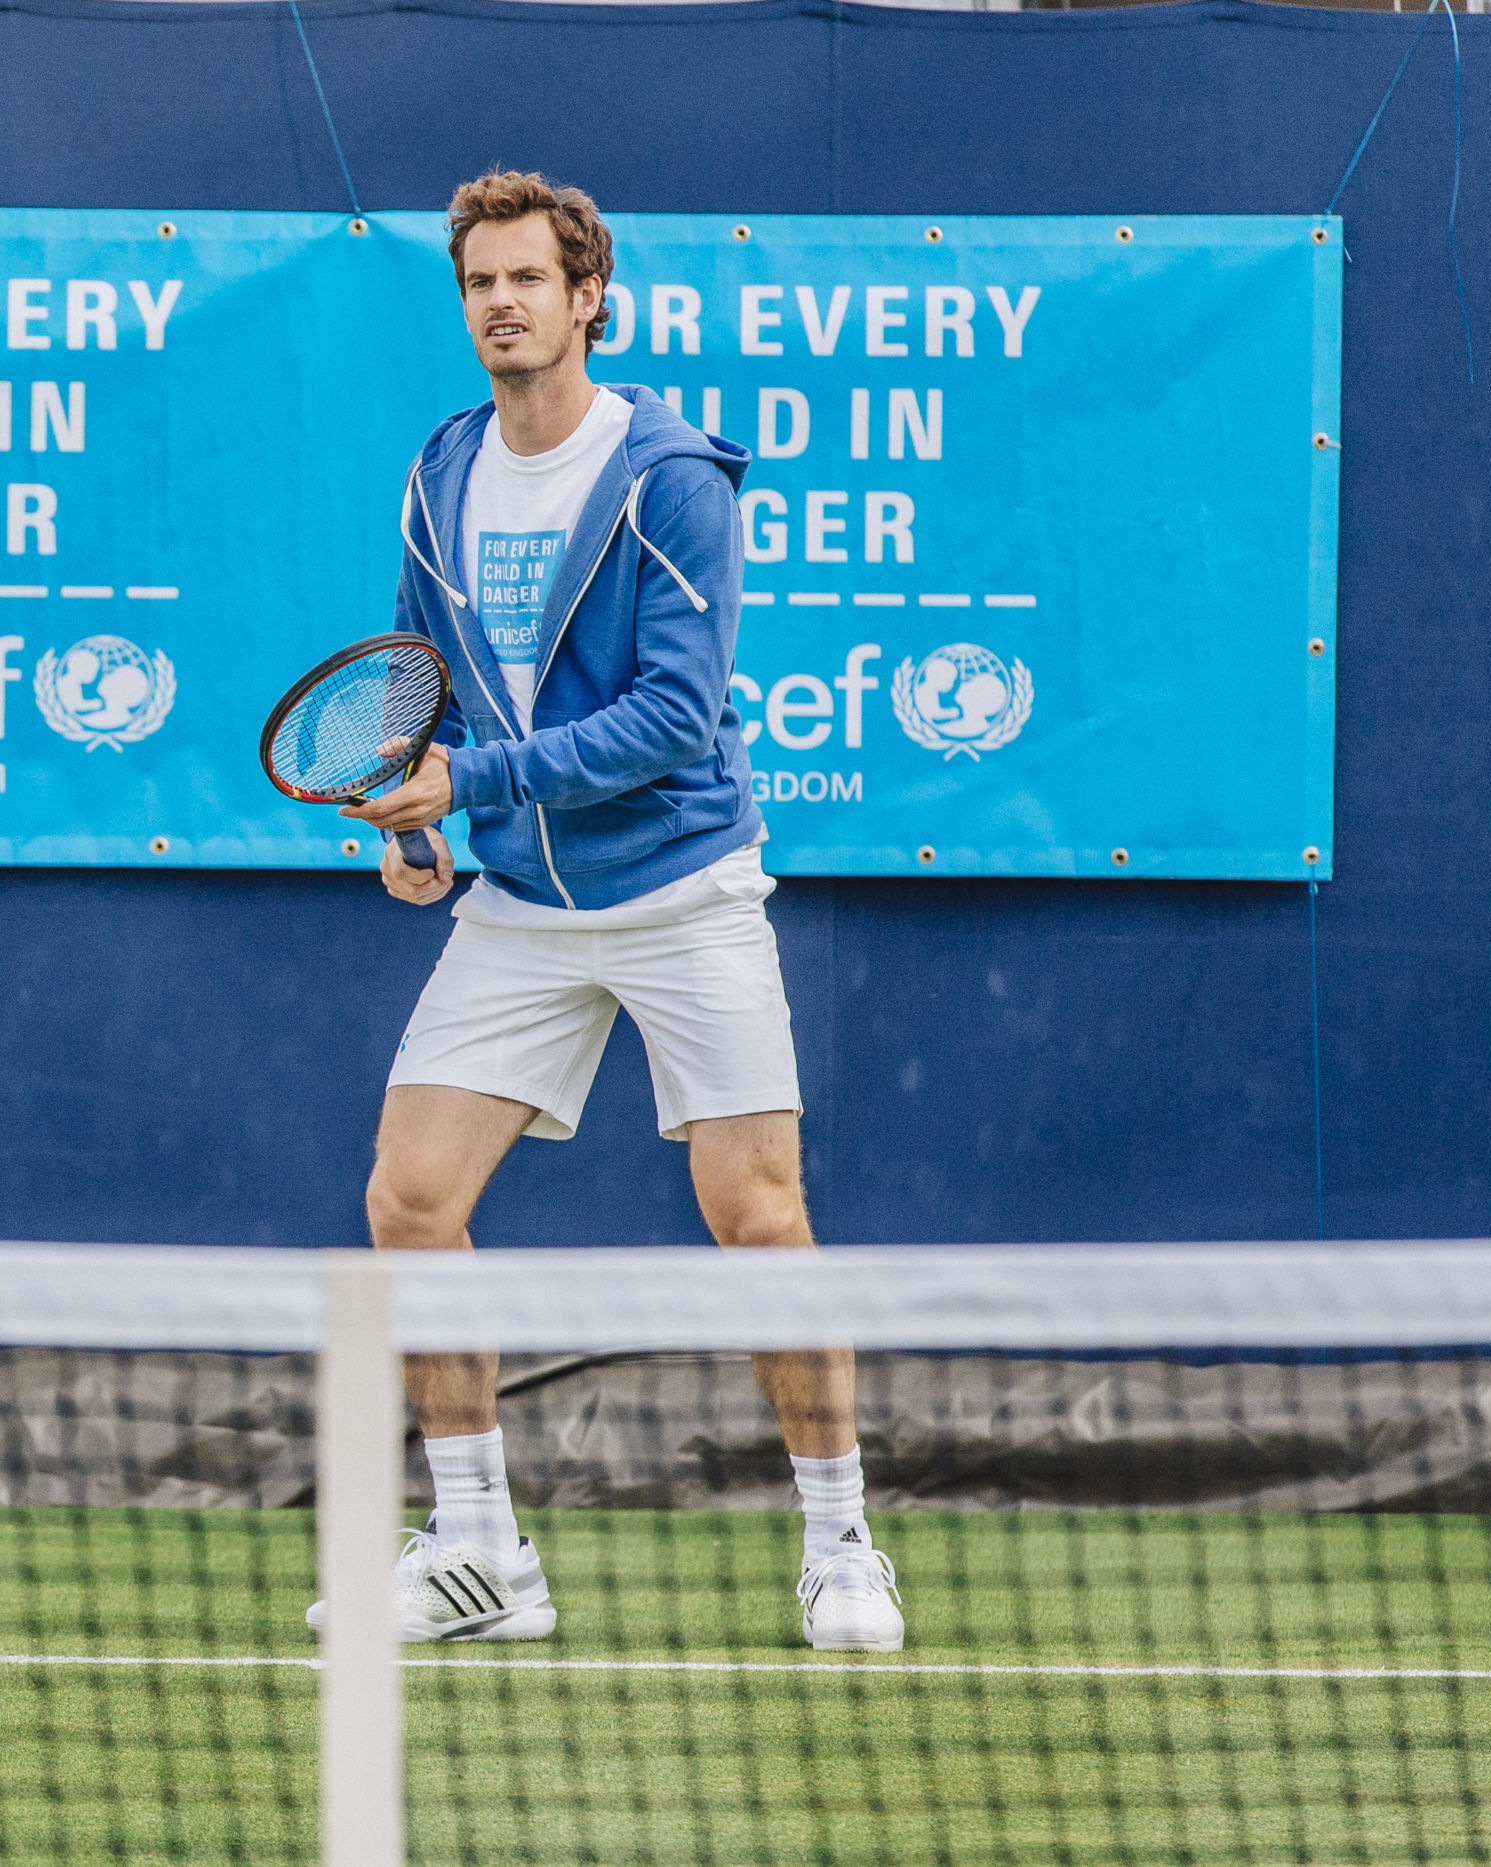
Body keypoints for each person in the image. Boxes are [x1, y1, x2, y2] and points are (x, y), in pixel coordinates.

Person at [306, 170, 904, 1653]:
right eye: (479, 283)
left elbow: (676, 718)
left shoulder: (671, 478)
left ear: (589, 301)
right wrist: (412, 820)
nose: (501, 303)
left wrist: (473, 783)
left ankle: (842, 1550)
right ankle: (477, 1553)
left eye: (529, 280)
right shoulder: (441, 467)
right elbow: (414, 672)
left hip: (682, 887)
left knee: (756, 1216)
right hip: (518, 896)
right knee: (410, 1200)